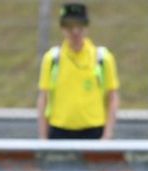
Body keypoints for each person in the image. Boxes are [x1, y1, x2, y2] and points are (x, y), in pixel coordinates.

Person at [36, 3, 119, 140]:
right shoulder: (52, 59)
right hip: (59, 130)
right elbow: (43, 98)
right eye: (69, 26)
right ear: (62, 28)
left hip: (94, 130)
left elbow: (112, 97)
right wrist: (43, 137)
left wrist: (107, 135)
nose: (75, 32)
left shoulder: (102, 58)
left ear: (86, 27)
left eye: (80, 26)